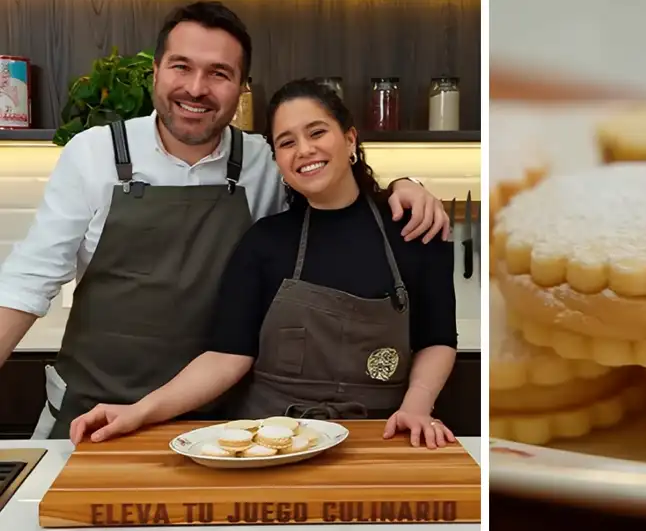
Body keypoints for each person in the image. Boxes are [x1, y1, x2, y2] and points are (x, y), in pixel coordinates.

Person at [0, 1, 449, 441]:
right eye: (181, 66)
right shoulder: (93, 153)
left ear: (240, 89)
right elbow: (28, 279)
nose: (196, 88)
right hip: (91, 413)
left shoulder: (262, 160)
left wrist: (403, 187)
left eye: (219, 73)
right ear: (156, 71)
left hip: (215, 423)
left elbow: (332, 185)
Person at [69, 78, 460, 449]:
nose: (304, 149)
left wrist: (416, 407)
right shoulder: (264, 241)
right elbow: (227, 357)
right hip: (271, 439)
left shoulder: (415, 229)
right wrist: (139, 411)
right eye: (287, 142)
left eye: (317, 132)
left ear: (350, 138)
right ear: (278, 162)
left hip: (383, 434)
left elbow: (438, 339)